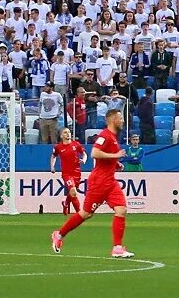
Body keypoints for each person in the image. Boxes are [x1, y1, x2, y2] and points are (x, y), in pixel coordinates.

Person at [50, 107, 135, 258]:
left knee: (121, 210)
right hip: (99, 181)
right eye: (120, 118)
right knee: (86, 213)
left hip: (110, 181)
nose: (123, 121)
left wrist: (116, 163)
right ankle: (59, 234)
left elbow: (105, 158)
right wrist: (115, 155)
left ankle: (117, 247)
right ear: (113, 120)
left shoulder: (114, 137)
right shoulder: (105, 136)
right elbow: (94, 153)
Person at [50, 126, 85, 216]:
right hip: (67, 174)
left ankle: (65, 203)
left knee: (72, 192)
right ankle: (79, 214)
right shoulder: (58, 147)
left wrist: (84, 160)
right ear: (61, 136)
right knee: (73, 192)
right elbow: (53, 156)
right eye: (65, 132)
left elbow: (84, 154)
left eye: (69, 132)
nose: (68, 134)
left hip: (77, 172)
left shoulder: (76, 144)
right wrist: (52, 166)